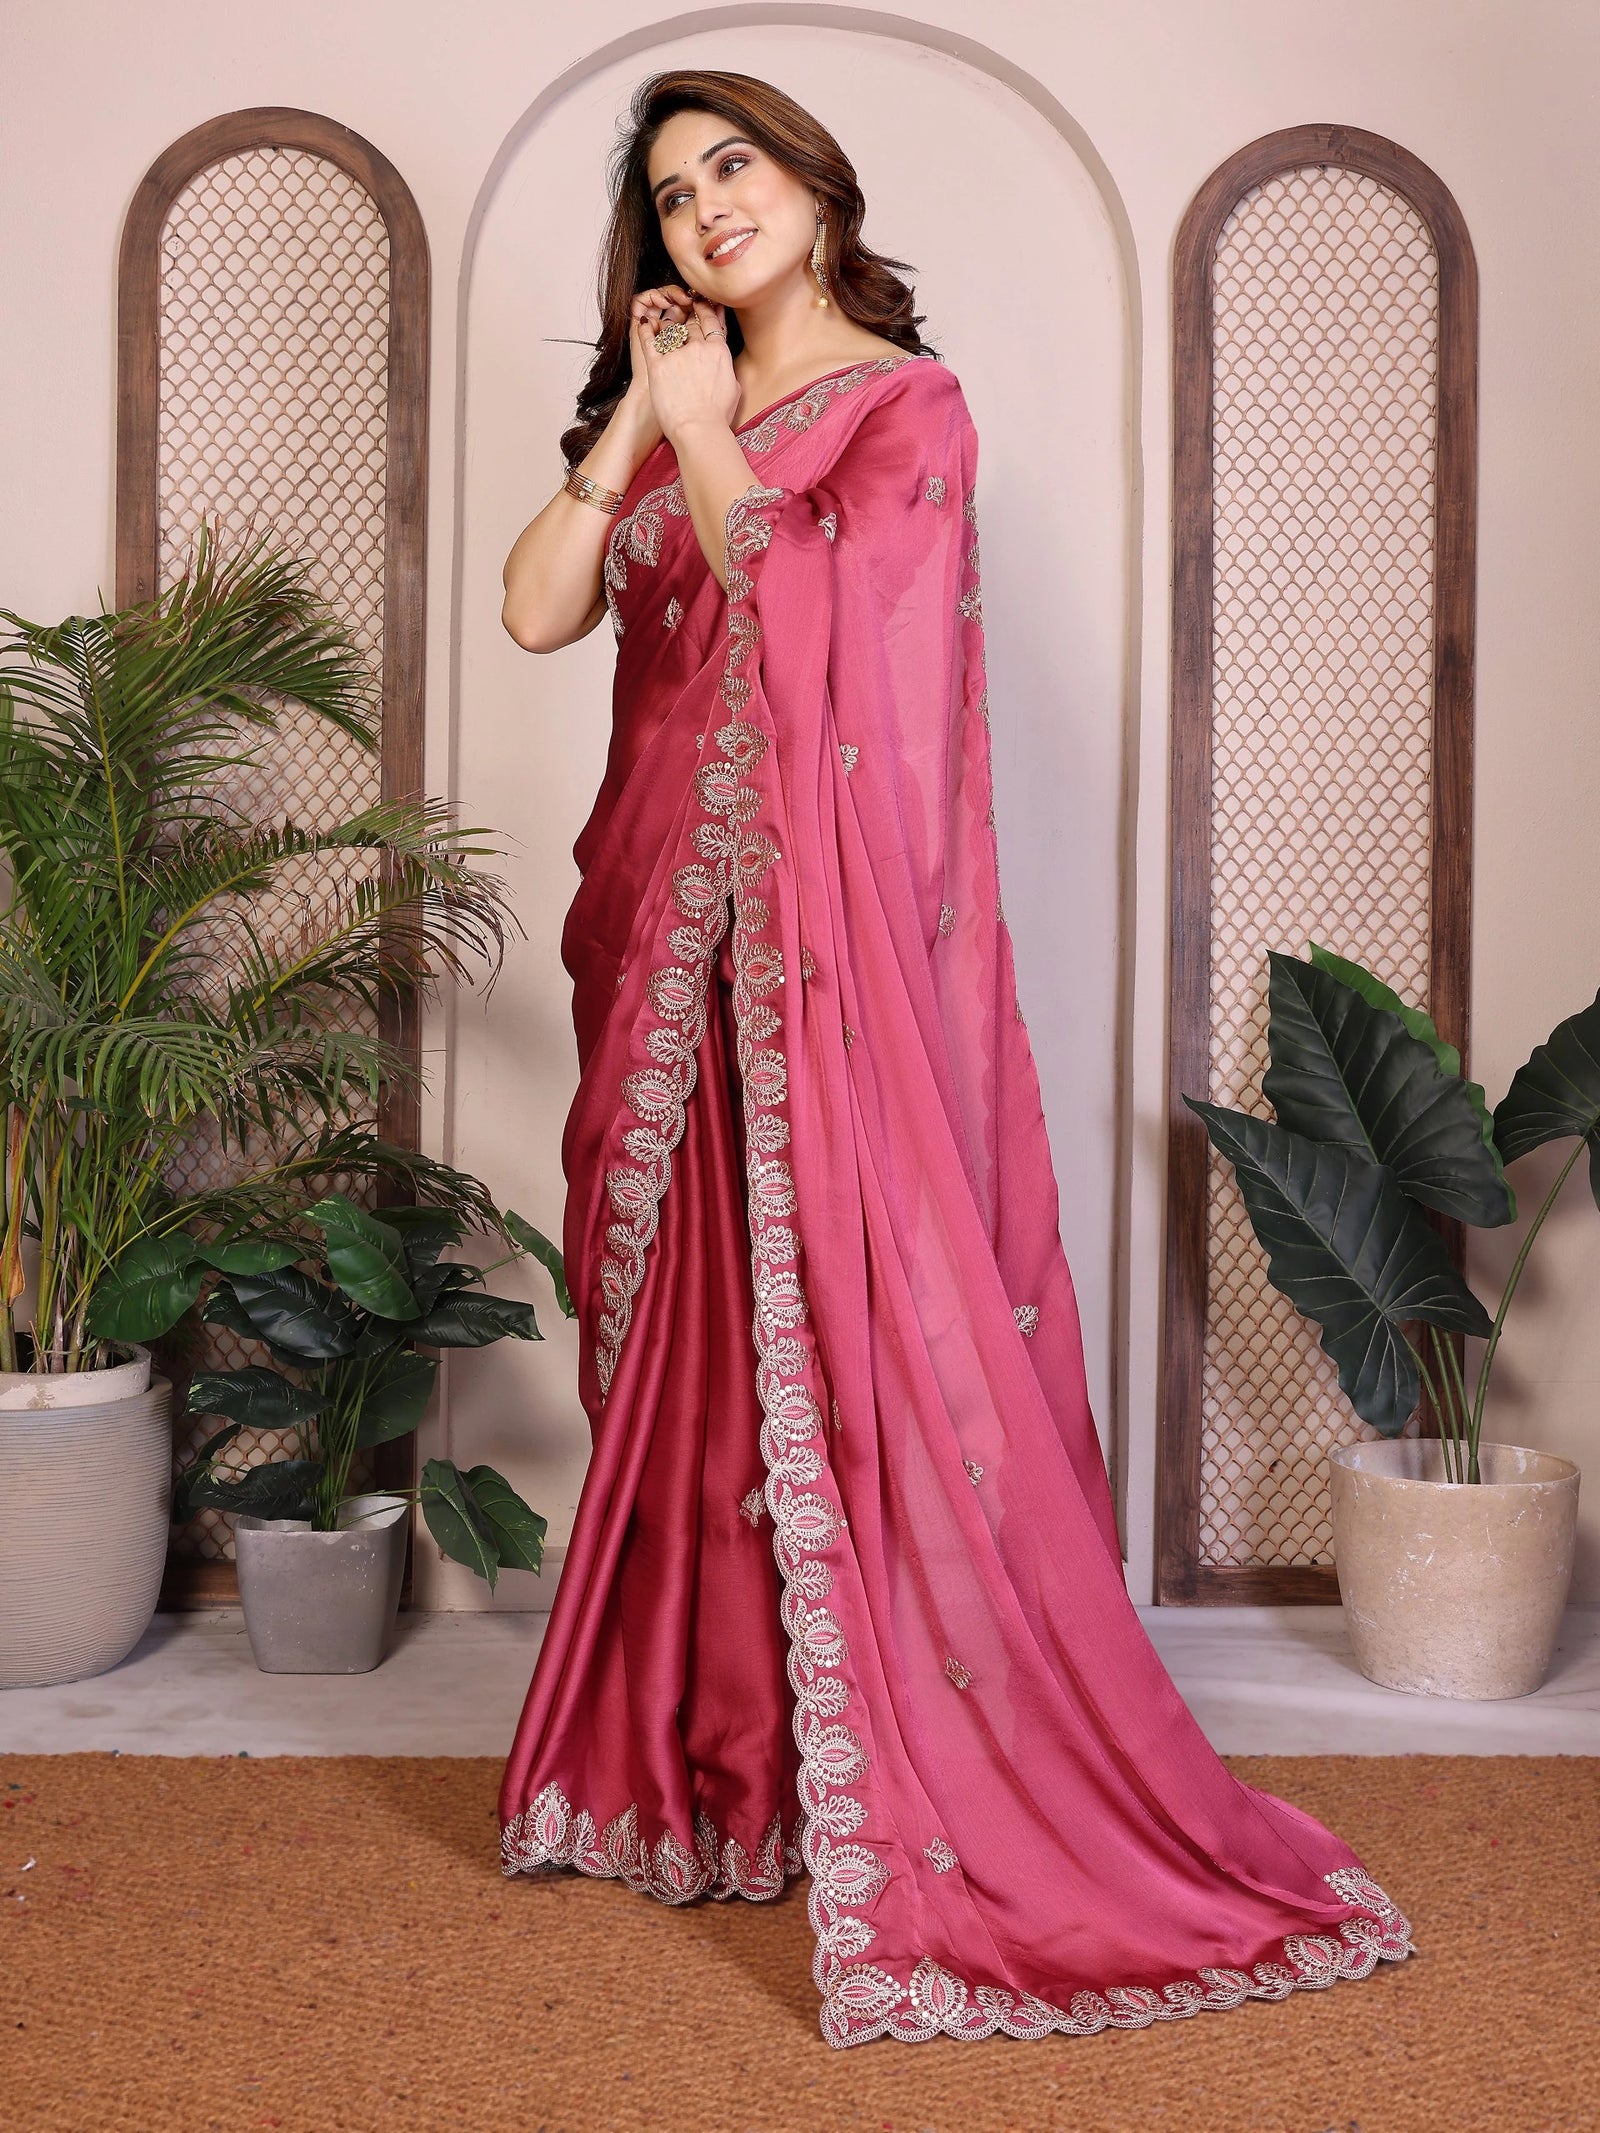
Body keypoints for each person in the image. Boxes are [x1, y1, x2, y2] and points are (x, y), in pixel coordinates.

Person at [497, 67, 1414, 2051]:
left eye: (730, 166)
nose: (705, 210)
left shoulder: (905, 411)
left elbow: (792, 591)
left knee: (843, 1336)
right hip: (661, 953)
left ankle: (900, 1762)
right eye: (668, 198)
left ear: (815, 186)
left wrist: (713, 429)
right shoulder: (676, 422)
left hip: (818, 971)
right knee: (695, 1366)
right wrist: (635, 434)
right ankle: (715, 1764)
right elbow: (536, 608)